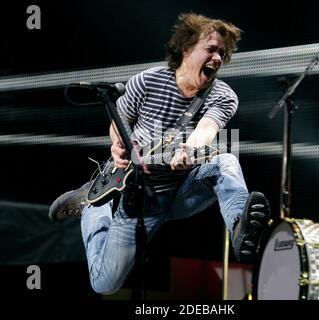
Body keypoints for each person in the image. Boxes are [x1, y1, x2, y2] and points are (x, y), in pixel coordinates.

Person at [49, 13, 271, 295]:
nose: (217, 58)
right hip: (138, 195)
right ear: (187, 48)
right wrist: (117, 145)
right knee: (104, 284)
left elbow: (208, 127)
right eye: (211, 49)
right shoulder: (147, 81)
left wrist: (189, 149)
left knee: (225, 161)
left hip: (182, 191)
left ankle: (241, 227)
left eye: (222, 53)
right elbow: (119, 121)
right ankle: (93, 206)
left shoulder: (223, 95)